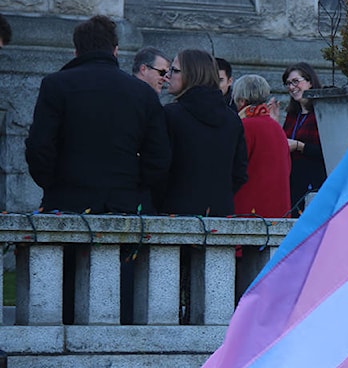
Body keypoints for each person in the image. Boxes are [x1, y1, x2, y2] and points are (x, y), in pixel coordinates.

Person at [25, 15, 170, 214]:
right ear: (115, 50)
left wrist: (53, 184)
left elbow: (39, 146)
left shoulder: (56, 85)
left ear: (76, 51)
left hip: (66, 200)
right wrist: (132, 186)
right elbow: (158, 156)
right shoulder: (143, 93)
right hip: (121, 202)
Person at [158, 48, 247, 216]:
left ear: (192, 75)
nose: (167, 76)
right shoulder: (233, 119)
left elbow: (159, 167)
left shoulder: (170, 115)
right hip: (219, 214)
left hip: (175, 214)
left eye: (175, 70)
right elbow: (239, 174)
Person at [232, 74, 291, 218]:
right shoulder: (276, 127)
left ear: (241, 101)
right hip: (279, 209)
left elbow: (235, 169)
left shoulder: (244, 127)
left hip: (248, 209)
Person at [281, 62, 327, 215]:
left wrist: (300, 146)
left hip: (315, 182)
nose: (292, 87)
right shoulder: (292, 115)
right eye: (288, 83)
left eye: (296, 81)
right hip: (293, 182)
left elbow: (327, 151)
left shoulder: (323, 113)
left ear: (310, 82)